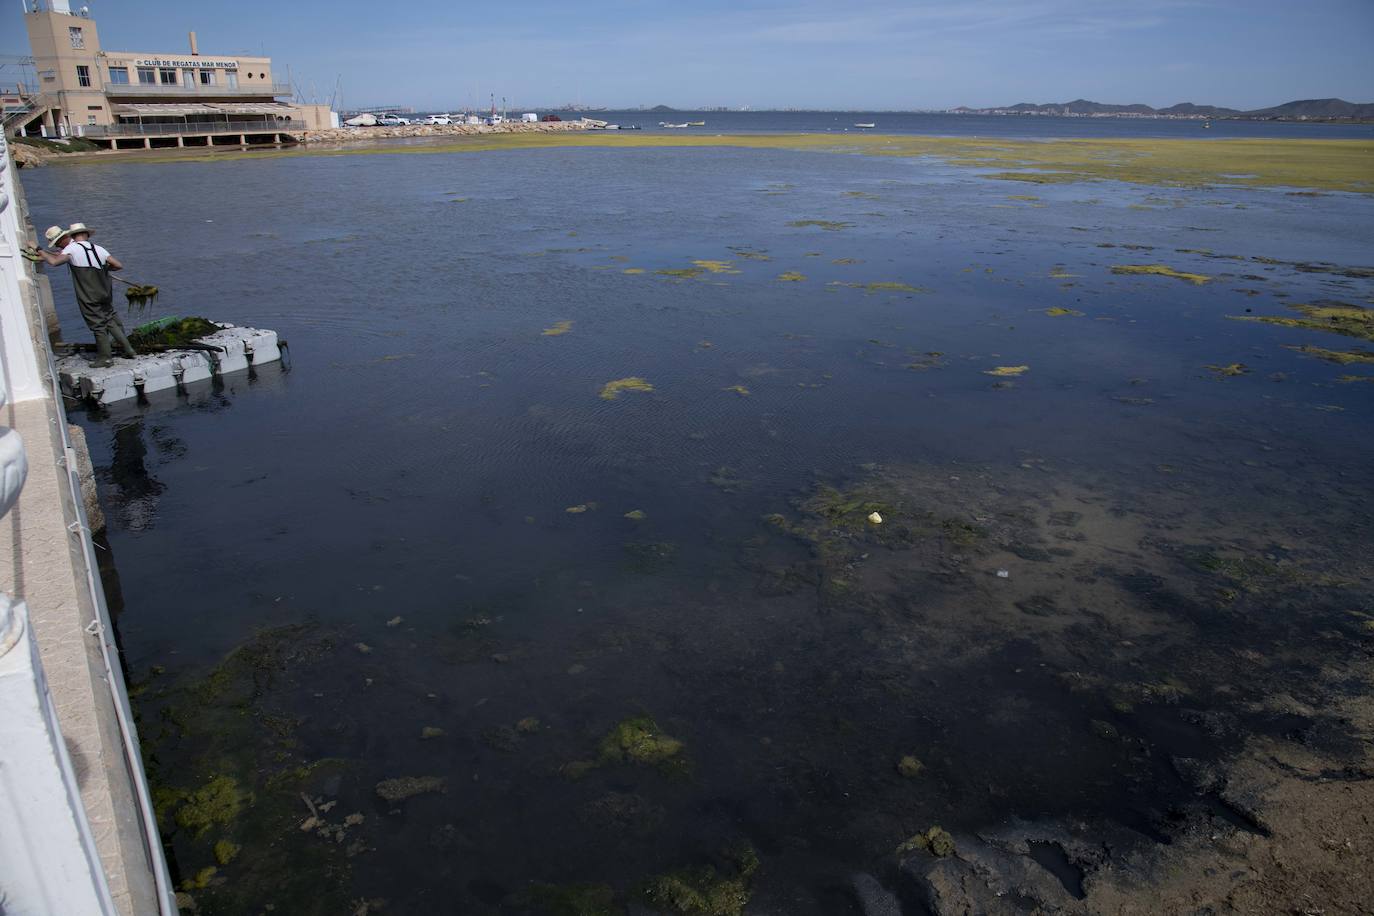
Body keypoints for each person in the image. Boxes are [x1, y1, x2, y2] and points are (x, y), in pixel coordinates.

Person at [34, 221, 137, 368]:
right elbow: (118, 265)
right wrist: (105, 270)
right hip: (105, 291)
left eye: (57, 243)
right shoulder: (98, 248)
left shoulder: (72, 249)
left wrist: (38, 249)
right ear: (86, 234)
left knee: (98, 325)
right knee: (109, 319)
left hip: (88, 294)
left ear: (70, 236)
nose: (58, 246)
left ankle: (105, 358)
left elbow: (54, 262)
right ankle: (129, 350)